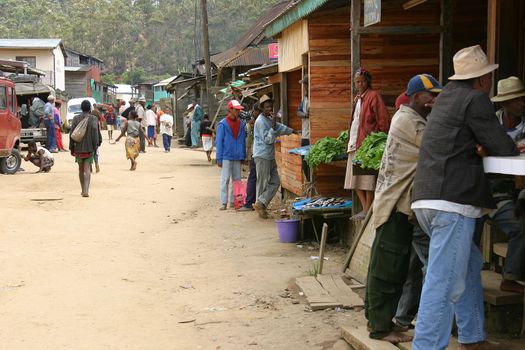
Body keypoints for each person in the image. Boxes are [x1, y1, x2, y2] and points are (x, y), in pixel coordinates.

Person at [411, 45, 519, 350]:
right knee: (443, 284)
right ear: (483, 79)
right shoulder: (475, 99)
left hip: (426, 201)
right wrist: (505, 147)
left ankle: (472, 337)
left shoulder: (444, 100)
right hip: (452, 204)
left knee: (469, 265)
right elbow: (502, 145)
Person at [365, 74, 443, 344]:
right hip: (394, 205)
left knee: (395, 268)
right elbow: (437, 147)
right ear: (415, 95)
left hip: (400, 205)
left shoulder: (414, 119)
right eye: (430, 95)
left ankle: (382, 323)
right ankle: (379, 327)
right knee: (387, 268)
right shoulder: (408, 121)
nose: (433, 99)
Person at [479, 76, 525, 294]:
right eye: (517, 99)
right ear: (506, 103)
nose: (522, 103)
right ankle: (510, 277)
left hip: (518, 191)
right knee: (520, 228)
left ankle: (512, 274)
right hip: (492, 192)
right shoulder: (491, 125)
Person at [344, 68, 390, 221]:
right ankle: (366, 208)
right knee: (354, 178)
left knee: (367, 179)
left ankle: (367, 209)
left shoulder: (373, 96)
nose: (360, 84)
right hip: (355, 142)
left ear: (368, 81)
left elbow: (383, 119)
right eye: (357, 81)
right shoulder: (358, 98)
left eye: (362, 81)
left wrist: (380, 140)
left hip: (367, 144)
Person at [252, 95, 300, 218]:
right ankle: (261, 208)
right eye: (267, 107)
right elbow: (268, 139)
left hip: (269, 156)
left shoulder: (268, 119)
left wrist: (293, 131)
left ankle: (261, 203)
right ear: (262, 108)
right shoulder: (261, 122)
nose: (270, 108)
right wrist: (273, 127)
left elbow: (280, 127)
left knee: (275, 181)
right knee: (262, 182)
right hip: (262, 155)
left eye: (270, 106)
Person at [215, 100, 246, 210]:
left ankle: (234, 202)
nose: (238, 111)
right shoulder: (223, 124)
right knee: (225, 179)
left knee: (237, 180)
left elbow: (243, 141)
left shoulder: (241, 124)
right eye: (236, 109)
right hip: (226, 156)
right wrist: (218, 158)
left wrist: (243, 155)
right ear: (230, 110)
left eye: (238, 110)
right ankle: (224, 202)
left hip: (237, 156)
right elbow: (219, 142)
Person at [69, 99, 102, 198]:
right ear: (90, 108)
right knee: (87, 169)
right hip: (89, 148)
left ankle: (82, 189)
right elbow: (96, 133)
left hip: (78, 148)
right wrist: (96, 144)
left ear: (81, 108)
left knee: (80, 169)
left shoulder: (75, 118)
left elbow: (72, 134)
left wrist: (71, 147)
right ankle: (86, 190)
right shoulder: (94, 119)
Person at [239, 104, 260, 212]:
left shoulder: (254, 121)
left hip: (254, 152)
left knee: (253, 177)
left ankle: (251, 203)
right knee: (254, 177)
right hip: (254, 151)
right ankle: (253, 202)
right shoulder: (251, 120)